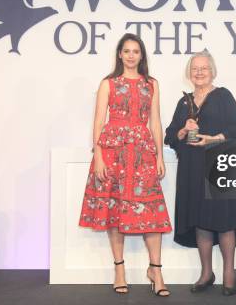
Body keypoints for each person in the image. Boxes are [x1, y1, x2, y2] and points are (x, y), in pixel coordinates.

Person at [79, 33, 172, 297]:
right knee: (115, 212)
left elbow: (155, 121)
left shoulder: (151, 84)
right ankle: (119, 269)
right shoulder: (108, 83)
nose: (131, 55)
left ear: (141, 56)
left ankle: (156, 269)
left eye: (136, 51)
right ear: (119, 54)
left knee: (152, 215)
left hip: (142, 153)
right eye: (127, 51)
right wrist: (97, 155)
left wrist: (159, 157)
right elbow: (98, 121)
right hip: (112, 152)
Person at [165, 50, 236, 296]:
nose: (199, 72)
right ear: (188, 73)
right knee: (201, 221)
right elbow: (170, 135)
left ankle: (228, 274)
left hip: (221, 166)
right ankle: (206, 273)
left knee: (225, 221)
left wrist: (211, 139)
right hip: (192, 169)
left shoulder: (223, 96)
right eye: (195, 68)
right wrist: (183, 130)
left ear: (212, 71)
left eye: (204, 68)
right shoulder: (184, 102)